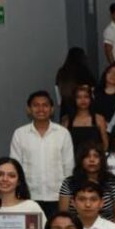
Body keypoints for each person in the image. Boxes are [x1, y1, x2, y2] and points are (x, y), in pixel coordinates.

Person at [10, 91, 75, 219]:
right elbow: (14, 168)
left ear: (52, 109)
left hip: (58, 197)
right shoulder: (20, 134)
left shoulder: (63, 133)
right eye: (36, 105)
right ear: (28, 109)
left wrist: (68, 195)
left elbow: (69, 168)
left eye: (45, 105)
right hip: (29, 197)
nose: (41, 109)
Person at [58, 142, 115, 222]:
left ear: (102, 160)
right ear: (81, 160)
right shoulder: (68, 183)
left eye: (96, 156)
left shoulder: (114, 182)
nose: (92, 160)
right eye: (87, 156)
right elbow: (64, 215)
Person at [60, 84, 109, 153]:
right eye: (79, 97)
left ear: (90, 99)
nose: (83, 100)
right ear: (74, 99)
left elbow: (105, 144)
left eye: (86, 97)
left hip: (94, 161)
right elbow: (62, 144)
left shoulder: (99, 119)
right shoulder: (67, 120)